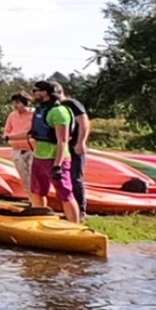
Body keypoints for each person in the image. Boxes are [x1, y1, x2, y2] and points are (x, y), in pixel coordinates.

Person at [28, 80, 77, 221]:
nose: (33, 93)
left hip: (55, 159)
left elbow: (63, 140)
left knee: (65, 194)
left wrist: (57, 165)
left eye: (35, 90)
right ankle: (39, 222)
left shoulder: (59, 112)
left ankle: (76, 227)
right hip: (39, 157)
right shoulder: (40, 111)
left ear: (44, 93)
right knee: (37, 192)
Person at [56, 82, 91, 218]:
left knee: (75, 177)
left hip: (74, 145)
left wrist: (80, 142)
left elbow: (84, 122)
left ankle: (81, 210)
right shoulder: (56, 107)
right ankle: (69, 208)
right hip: (63, 146)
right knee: (64, 177)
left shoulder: (71, 103)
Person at [3, 92, 35, 193]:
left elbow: (31, 133)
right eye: (14, 103)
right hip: (17, 150)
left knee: (33, 176)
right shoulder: (12, 116)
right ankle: (31, 200)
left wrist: (12, 137)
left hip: (32, 149)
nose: (15, 106)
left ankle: (38, 200)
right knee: (24, 178)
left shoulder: (34, 114)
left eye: (18, 102)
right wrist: (10, 138)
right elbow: (6, 132)